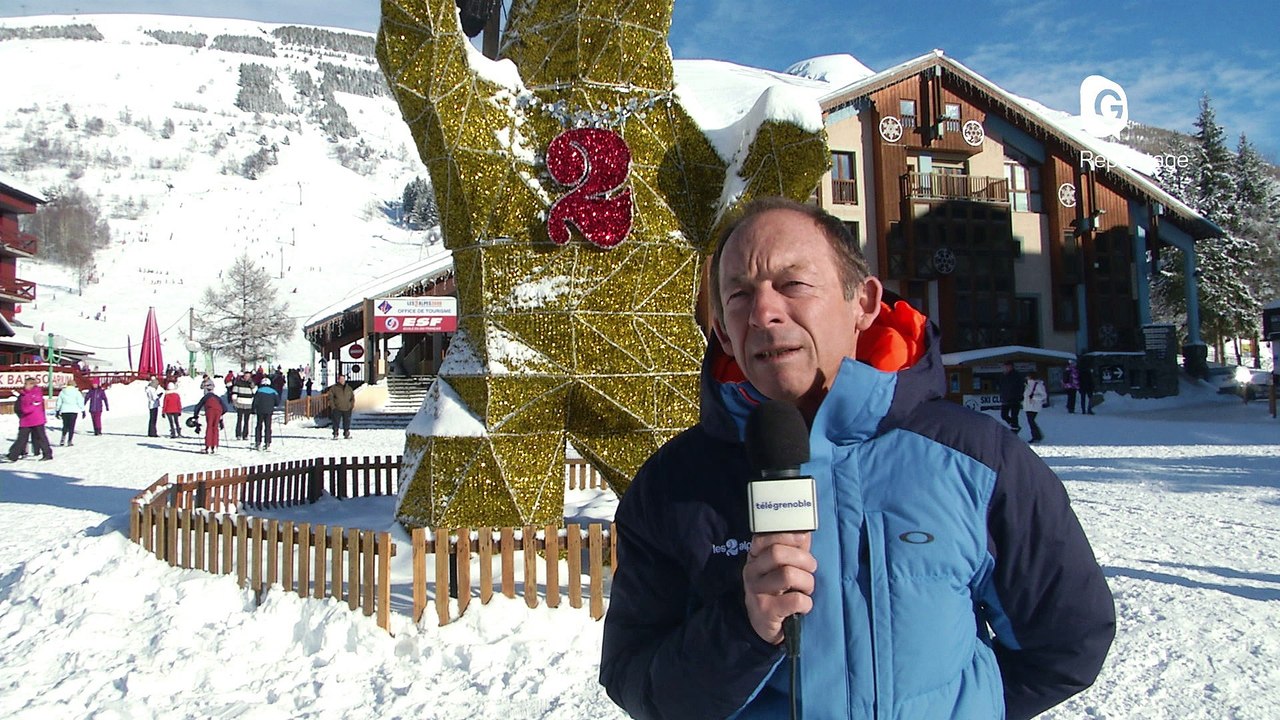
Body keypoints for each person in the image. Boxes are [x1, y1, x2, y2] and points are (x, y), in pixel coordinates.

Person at [599, 198, 1115, 719]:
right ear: (722, 332)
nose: (763, 312)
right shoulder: (672, 485)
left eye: (792, 284)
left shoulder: (978, 460)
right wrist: (743, 630)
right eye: (739, 294)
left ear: (863, 302)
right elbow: (636, 680)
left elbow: (1069, 640)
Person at [6, 378, 53, 461]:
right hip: (26, 420)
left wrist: (23, 410)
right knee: (21, 438)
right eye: (25, 384)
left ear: (32, 385)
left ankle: (47, 454)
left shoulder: (36, 394)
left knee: (41, 437)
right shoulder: (23, 394)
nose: (25, 385)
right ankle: (13, 456)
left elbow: (31, 407)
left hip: (36, 419)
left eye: (26, 384)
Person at [191, 388, 224, 454]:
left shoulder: (206, 397)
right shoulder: (217, 397)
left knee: (209, 427)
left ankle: (208, 446)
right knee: (215, 428)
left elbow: (198, 407)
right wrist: (221, 415)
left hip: (210, 411)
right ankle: (215, 446)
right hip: (218, 411)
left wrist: (195, 416)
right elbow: (225, 408)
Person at [997, 360, 1025, 432]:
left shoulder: (1017, 375)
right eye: (1005, 366)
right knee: (1004, 415)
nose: (1006, 368)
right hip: (1005, 399)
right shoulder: (1003, 376)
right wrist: (1002, 396)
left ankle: (1015, 429)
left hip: (1015, 399)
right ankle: (1014, 425)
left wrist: (1019, 396)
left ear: (1011, 366)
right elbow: (1001, 386)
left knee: (1014, 415)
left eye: (1007, 366)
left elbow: (1021, 387)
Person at [54, 382, 85, 446]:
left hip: (64, 410)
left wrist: (57, 410)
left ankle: (62, 439)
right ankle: (69, 440)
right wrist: (83, 410)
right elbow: (80, 402)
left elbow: (59, 401)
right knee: (71, 426)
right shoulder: (76, 392)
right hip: (73, 411)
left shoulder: (62, 392)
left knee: (65, 425)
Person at [251, 377, 278, 450]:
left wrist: (253, 409)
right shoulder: (274, 391)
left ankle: (258, 442)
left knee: (259, 426)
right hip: (269, 411)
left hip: (260, 411)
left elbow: (255, 401)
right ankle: (267, 443)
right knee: (268, 427)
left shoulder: (259, 391)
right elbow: (277, 402)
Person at [326, 373, 355, 439]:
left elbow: (352, 397)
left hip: (347, 408)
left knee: (347, 422)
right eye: (340, 379)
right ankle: (335, 433)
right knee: (336, 422)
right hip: (337, 408)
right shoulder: (334, 388)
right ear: (338, 380)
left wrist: (351, 405)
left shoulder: (349, 388)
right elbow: (330, 398)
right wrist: (333, 406)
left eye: (343, 379)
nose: (342, 380)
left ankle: (346, 433)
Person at [1023, 371, 1048, 443]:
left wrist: (1034, 397)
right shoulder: (1027, 385)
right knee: (1031, 422)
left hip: (1034, 406)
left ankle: (1036, 436)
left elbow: (1043, 395)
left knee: (1031, 421)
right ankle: (1036, 436)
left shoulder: (1038, 385)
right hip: (1028, 406)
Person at [231, 370, 256, 440]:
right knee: (239, 420)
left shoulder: (252, 384)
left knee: (246, 421)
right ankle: (238, 434)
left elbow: (255, 392)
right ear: (243, 376)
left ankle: (245, 435)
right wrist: (235, 402)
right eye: (246, 376)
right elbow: (234, 393)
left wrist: (252, 385)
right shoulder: (238, 383)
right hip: (240, 404)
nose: (247, 378)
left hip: (248, 404)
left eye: (248, 376)